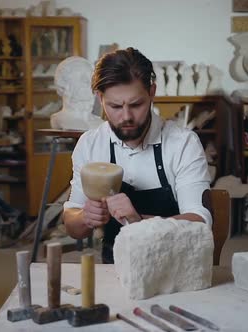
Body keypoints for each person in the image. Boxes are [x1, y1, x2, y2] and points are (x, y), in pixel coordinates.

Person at [63, 47, 212, 263]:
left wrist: (139, 221)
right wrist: (85, 217)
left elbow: (200, 222)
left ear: (152, 92)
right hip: (116, 268)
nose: (126, 117)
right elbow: (71, 223)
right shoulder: (90, 144)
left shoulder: (182, 143)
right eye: (114, 106)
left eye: (136, 104)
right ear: (100, 98)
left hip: (175, 266)